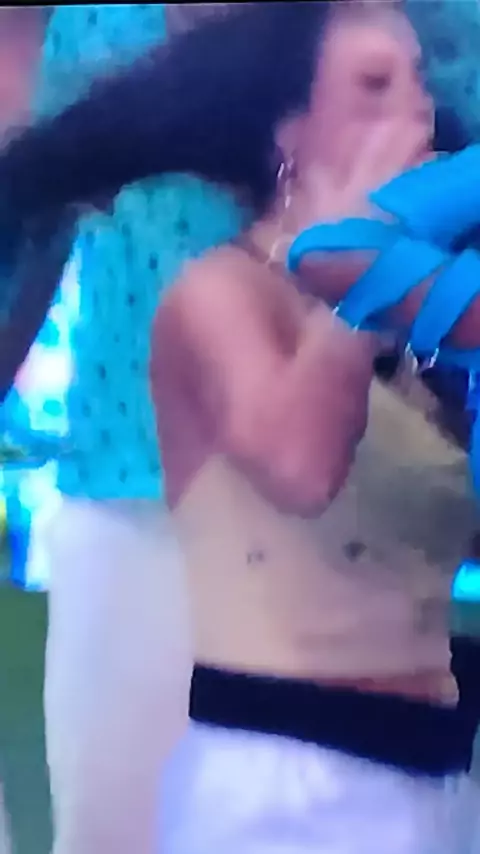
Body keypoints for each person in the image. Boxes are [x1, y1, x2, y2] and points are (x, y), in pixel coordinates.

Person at [0, 3, 478, 852]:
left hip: (369, 541)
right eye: (375, 89)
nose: (408, 112)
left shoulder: (427, 32)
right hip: (134, 494)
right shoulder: (103, 27)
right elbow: (41, 228)